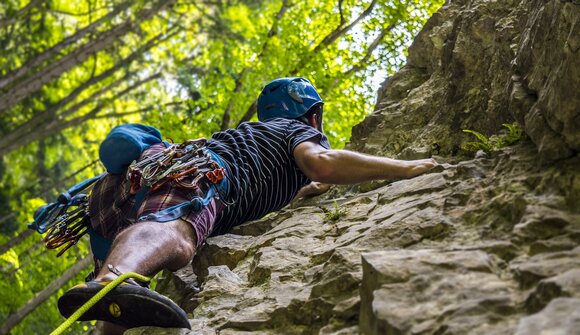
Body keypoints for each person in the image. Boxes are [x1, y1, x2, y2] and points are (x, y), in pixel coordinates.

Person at [58, 77, 437, 333]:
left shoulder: (257, 139)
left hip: (116, 195)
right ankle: (110, 281)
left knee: (122, 297)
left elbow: (298, 184)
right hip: (199, 172)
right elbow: (322, 162)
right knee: (178, 233)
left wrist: (307, 190)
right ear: (312, 116)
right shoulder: (296, 131)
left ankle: (107, 301)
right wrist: (407, 168)